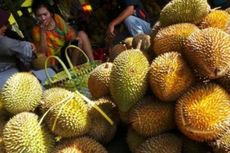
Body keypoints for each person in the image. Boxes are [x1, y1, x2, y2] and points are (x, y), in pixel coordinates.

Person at [0, 9, 56, 89]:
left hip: (16, 75)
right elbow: (30, 51)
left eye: (45, 14)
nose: (5, 27)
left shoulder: (9, 35)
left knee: (49, 73)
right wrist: (28, 46)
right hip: (10, 80)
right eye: (2, 25)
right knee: (50, 73)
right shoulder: (4, 41)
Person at [31, 0, 94, 67]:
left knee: (82, 34)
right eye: (39, 16)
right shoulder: (36, 30)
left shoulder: (57, 18)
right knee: (78, 41)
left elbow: (70, 35)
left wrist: (74, 43)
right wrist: (43, 31)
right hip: (55, 59)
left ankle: (93, 62)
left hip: (67, 51)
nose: (43, 18)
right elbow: (43, 52)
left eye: (45, 14)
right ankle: (73, 68)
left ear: (51, 13)